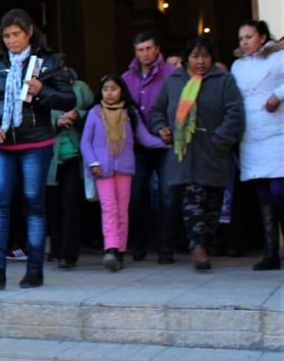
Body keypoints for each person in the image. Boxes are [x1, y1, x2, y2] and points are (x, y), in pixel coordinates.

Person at [0, 8, 75, 289]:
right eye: (6, 36)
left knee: (33, 205)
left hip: (36, 143)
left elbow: (68, 99)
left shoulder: (48, 61)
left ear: (29, 32)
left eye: (16, 34)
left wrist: (42, 92)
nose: (11, 40)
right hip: (2, 144)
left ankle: (34, 271)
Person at [151, 37, 245, 271]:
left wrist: (219, 140)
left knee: (212, 205)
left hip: (213, 152)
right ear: (186, 59)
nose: (200, 62)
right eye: (195, 57)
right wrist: (161, 129)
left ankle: (205, 243)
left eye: (205, 56)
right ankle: (197, 247)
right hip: (184, 153)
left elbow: (235, 113)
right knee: (192, 198)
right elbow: (157, 111)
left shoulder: (224, 80)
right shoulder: (174, 81)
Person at [81, 75, 167, 271]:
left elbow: (144, 138)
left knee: (122, 210)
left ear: (122, 91)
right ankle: (110, 248)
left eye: (114, 89)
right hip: (102, 169)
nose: (109, 93)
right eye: (105, 89)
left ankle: (119, 251)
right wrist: (92, 162)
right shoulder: (95, 113)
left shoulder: (130, 112)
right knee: (109, 208)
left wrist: (166, 143)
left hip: (125, 168)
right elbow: (85, 142)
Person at [231, 20, 284, 271]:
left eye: (249, 37)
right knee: (263, 197)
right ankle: (271, 253)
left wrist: (278, 95)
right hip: (251, 137)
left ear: (262, 37)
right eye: (241, 38)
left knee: (279, 192)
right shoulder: (238, 66)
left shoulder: (278, 57)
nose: (244, 42)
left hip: (277, 134)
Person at [121, 31, 178, 263]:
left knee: (168, 195)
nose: (144, 54)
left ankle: (166, 248)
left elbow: (180, 107)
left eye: (148, 48)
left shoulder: (172, 74)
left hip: (165, 143)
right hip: (137, 145)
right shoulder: (126, 78)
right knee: (135, 196)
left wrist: (170, 129)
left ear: (157, 49)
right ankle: (139, 244)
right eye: (140, 50)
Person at [45, 72, 93, 269]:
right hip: (48, 158)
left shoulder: (80, 87)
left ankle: (68, 255)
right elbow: (29, 120)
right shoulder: (39, 89)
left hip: (74, 156)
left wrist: (77, 115)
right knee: (52, 208)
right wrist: (56, 122)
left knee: (71, 206)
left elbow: (94, 112)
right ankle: (56, 249)